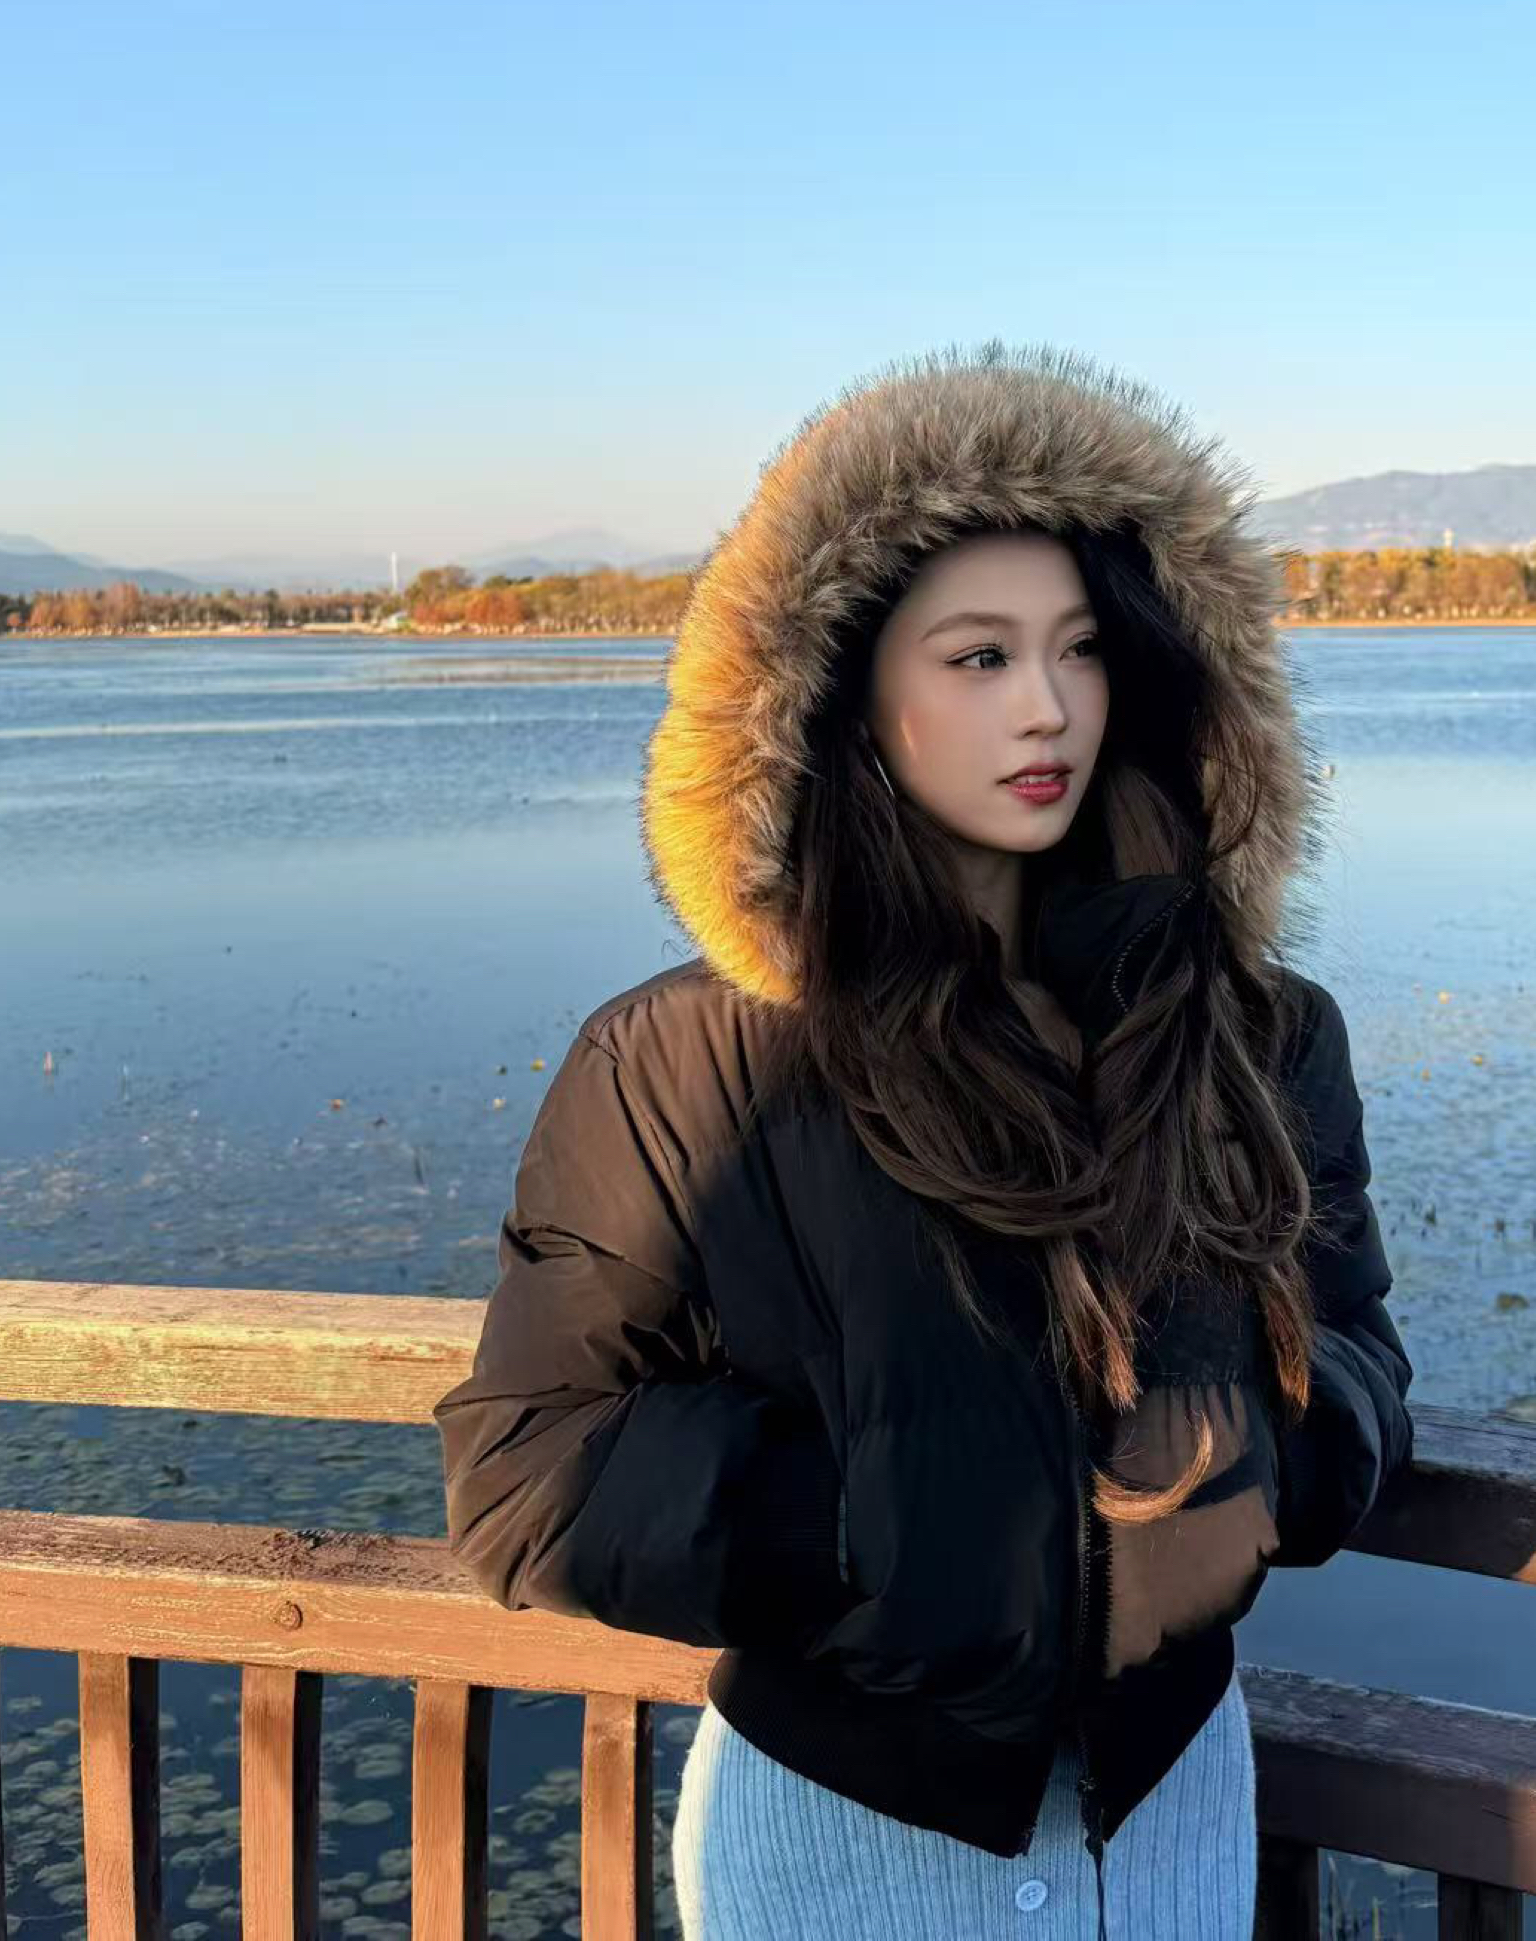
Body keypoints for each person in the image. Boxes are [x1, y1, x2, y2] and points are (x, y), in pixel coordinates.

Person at [433, 341, 1416, 1938]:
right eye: (977, 657)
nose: (1046, 707)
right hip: (842, 1822)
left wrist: (1259, 1470)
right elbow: (528, 1472)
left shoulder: (1252, 1033)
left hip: (1170, 1797)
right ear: (841, 693)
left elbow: (1358, 1352)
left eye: (1082, 649)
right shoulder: (690, 1061)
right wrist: (879, 1526)